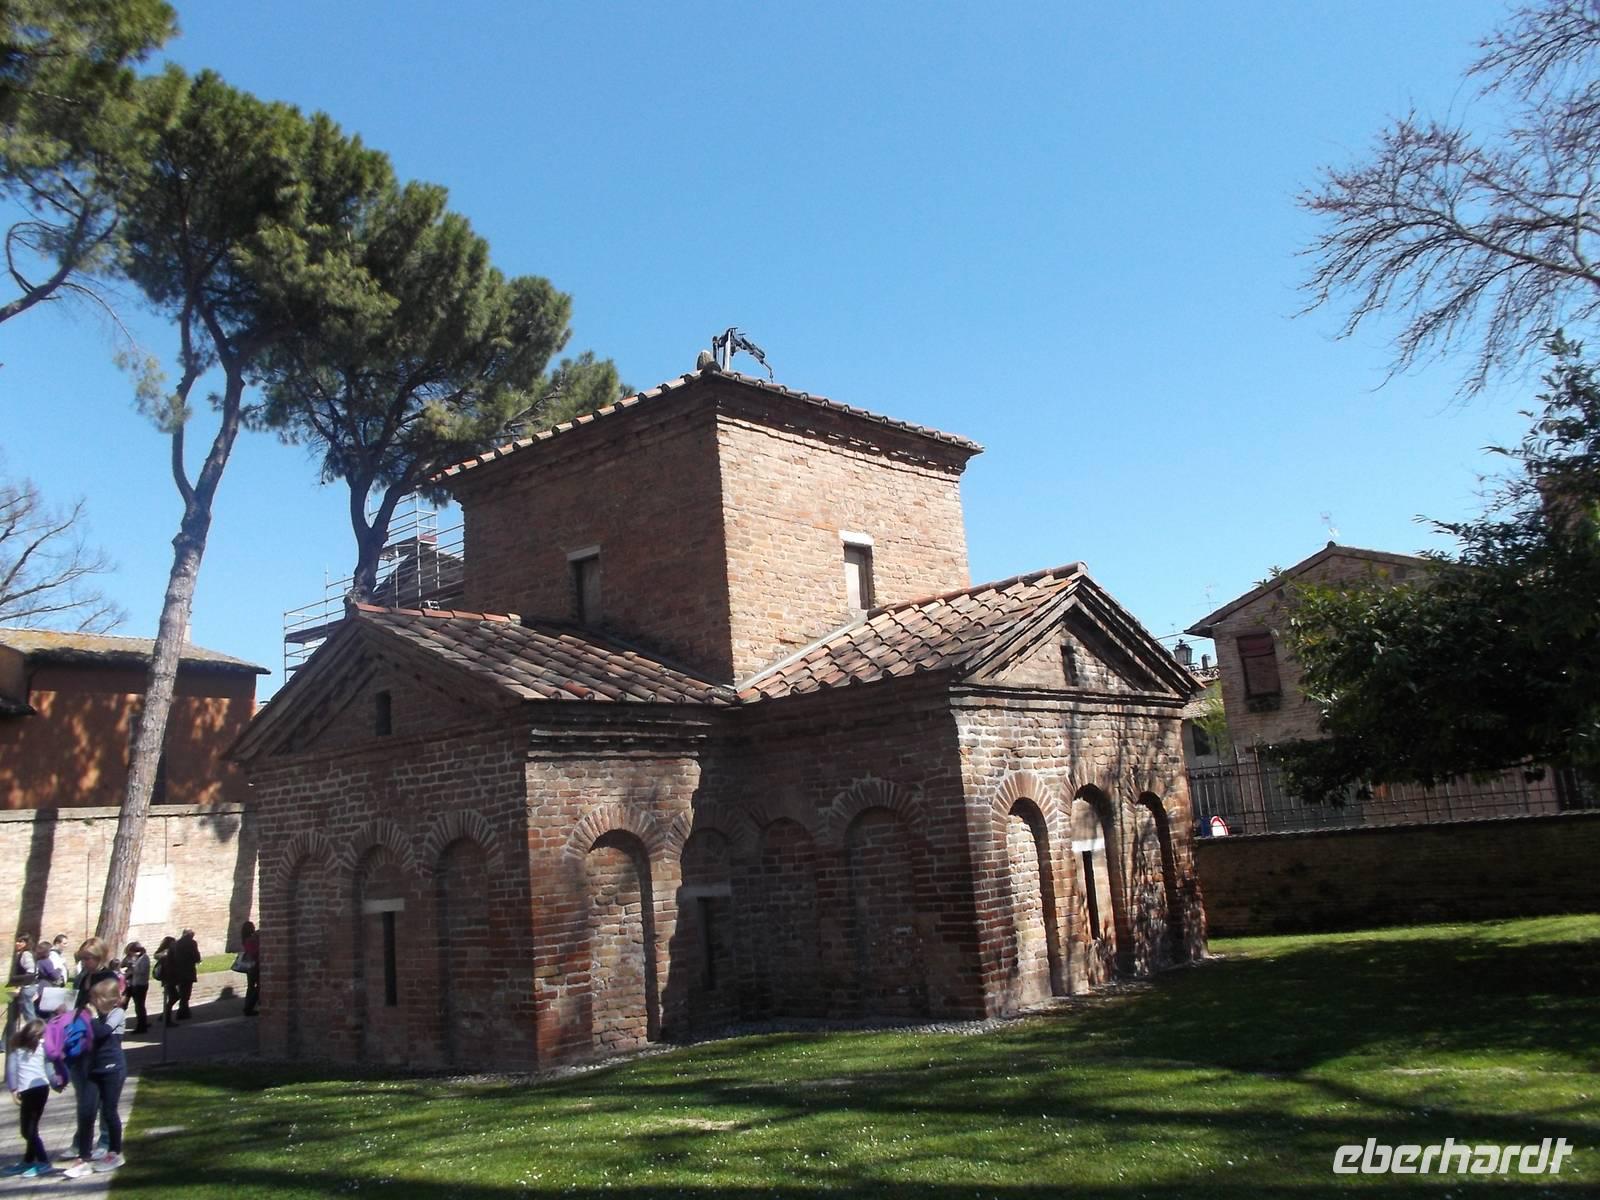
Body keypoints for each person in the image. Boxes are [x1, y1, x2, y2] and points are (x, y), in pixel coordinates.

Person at [61, 975, 126, 1179]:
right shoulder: (93, 1016)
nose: (93, 1002)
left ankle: (115, 1152)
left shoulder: (117, 1013)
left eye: (97, 999)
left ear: (109, 999)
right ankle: (83, 1157)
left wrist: (89, 1018)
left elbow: (102, 1032)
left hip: (112, 1068)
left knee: (109, 1111)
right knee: (86, 1111)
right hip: (93, 1069)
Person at [4, 1018, 52, 1178]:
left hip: (37, 1089)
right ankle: (28, 1160)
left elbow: (49, 1066)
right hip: (32, 1090)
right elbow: (12, 1069)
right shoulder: (19, 1048)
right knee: (31, 1128)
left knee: (28, 1130)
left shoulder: (42, 1046)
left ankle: (44, 1161)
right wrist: (14, 1089)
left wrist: (13, 1090)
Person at [170, 930, 200, 1020]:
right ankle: (182, 1012)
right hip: (188, 970)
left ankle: (184, 1011)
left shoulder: (176, 943)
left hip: (178, 971)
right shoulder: (192, 943)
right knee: (186, 993)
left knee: (182, 991)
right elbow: (196, 957)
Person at [121, 945, 150, 1035]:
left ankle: (142, 1026)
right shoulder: (138, 958)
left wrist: (133, 968)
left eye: (132, 952)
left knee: (140, 1006)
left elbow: (142, 971)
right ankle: (142, 1024)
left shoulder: (144, 958)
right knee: (138, 1006)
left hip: (141, 984)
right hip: (135, 984)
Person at [152, 936, 179, 1026]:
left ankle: (164, 1016)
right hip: (168, 979)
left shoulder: (168, 953)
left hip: (168, 979)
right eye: (173, 943)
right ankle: (166, 1019)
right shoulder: (167, 954)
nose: (175, 944)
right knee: (174, 997)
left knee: (173, 997)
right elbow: (168, 967)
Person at [238, 922, 260, 1017]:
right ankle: (249, 1008)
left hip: (250, 966)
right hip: (254, 966)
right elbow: (254, 952)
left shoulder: (246, 939)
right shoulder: (250, 940)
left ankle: (248, 1007)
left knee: (251, 987)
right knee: (258, 987)